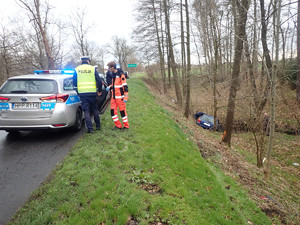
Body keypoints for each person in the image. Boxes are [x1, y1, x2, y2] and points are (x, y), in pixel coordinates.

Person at [73, 56, 102, 133]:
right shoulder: (92, 69)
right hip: (92, 92)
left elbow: (74, 82)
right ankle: (98, 126)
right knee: (95, 109)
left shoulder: (77, 69)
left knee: (86, 111)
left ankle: (90, 128)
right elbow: (99, 80)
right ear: (88, 61)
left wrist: (78, 89)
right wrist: (99, 90)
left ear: (81, 61)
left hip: (82, 93)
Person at [106, 61, 129, 129]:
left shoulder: (121, 75)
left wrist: (125, 97)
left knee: (122, 112)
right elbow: (114, 85)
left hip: (120, 98)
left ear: (113, 67)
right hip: (114, 97)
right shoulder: (114, 75)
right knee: (113, 112)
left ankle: (126, 126)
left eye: (109, 68)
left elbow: (125, 87)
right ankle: (118, 125)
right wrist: (110, 87)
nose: (109, 69)